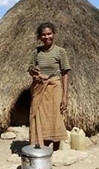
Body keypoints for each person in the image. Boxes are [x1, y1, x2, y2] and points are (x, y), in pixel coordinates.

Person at [27, 22, 70, 151]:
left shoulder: (60, 52)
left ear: (54, 34)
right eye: (43, 35)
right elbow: (30, 69)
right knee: (38, 116)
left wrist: (65, 96)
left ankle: (55, 151)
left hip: (55, 88)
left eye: (49, 34)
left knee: (56, 117)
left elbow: (65, 73)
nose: (47, 37)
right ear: (40, 37)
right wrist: (33, 72)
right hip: (40, 88)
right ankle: (41, 147)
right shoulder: (36, 52)